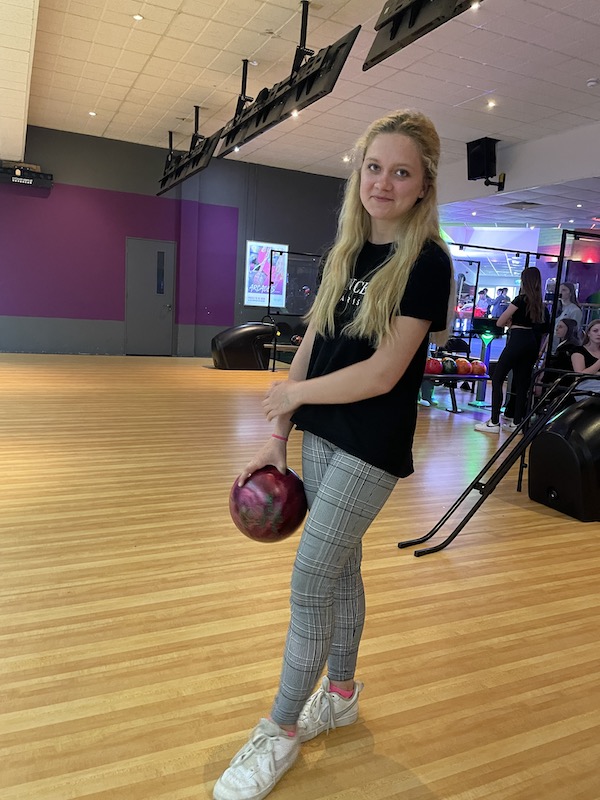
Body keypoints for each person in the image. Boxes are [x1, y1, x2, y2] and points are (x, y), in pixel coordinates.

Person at [213, 109, 454, 800]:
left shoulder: (427, 262)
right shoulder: (346, 250)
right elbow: (314, 341)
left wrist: (295, 395)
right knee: (341, 571)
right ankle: (341, 694)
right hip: (319, 434)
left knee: (310, 579)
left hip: (369, 449)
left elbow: (382, 374)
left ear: (423, 185)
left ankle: (281, 729)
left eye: (400, 172)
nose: (383, 182)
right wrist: (278, 434)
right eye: (373, 167)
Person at [474, 266, 549, 435]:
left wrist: (511, 323)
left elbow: (500, 322)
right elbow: (543, 329)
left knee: (498, 378)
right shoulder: (540, 304)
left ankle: (494, 422)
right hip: (531, 343)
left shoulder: (520, 300)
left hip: (517, 340)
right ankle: (517, 423)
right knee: (522, 384)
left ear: (524, 281)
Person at [570, 319, 600, 398]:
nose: (599, 334)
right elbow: (580, 375)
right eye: (595, 331)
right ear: (588, 333)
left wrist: (595, 373)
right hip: (585, 387)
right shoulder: (579, 350)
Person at [552, 282, 583, 351]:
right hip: (553, 343)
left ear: (570, 293)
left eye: (564, 290)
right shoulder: (557, 308)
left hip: (564, 345)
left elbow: (574, 330)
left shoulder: (575, 310)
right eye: (559, 290)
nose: (560, 292)